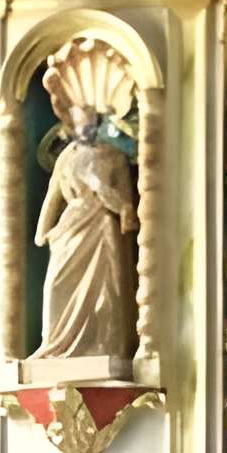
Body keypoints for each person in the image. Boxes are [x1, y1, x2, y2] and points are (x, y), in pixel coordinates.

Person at [31, 109, 137, 359]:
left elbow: (126, 203)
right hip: (72, 224)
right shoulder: (67, 157)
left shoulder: (114, 155)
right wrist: (42, 230)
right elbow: (53, 196)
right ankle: (53, 342)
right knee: (56, 284)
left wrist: (110, 198)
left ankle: (105, 345)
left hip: (103, 225)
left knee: (105, 290)